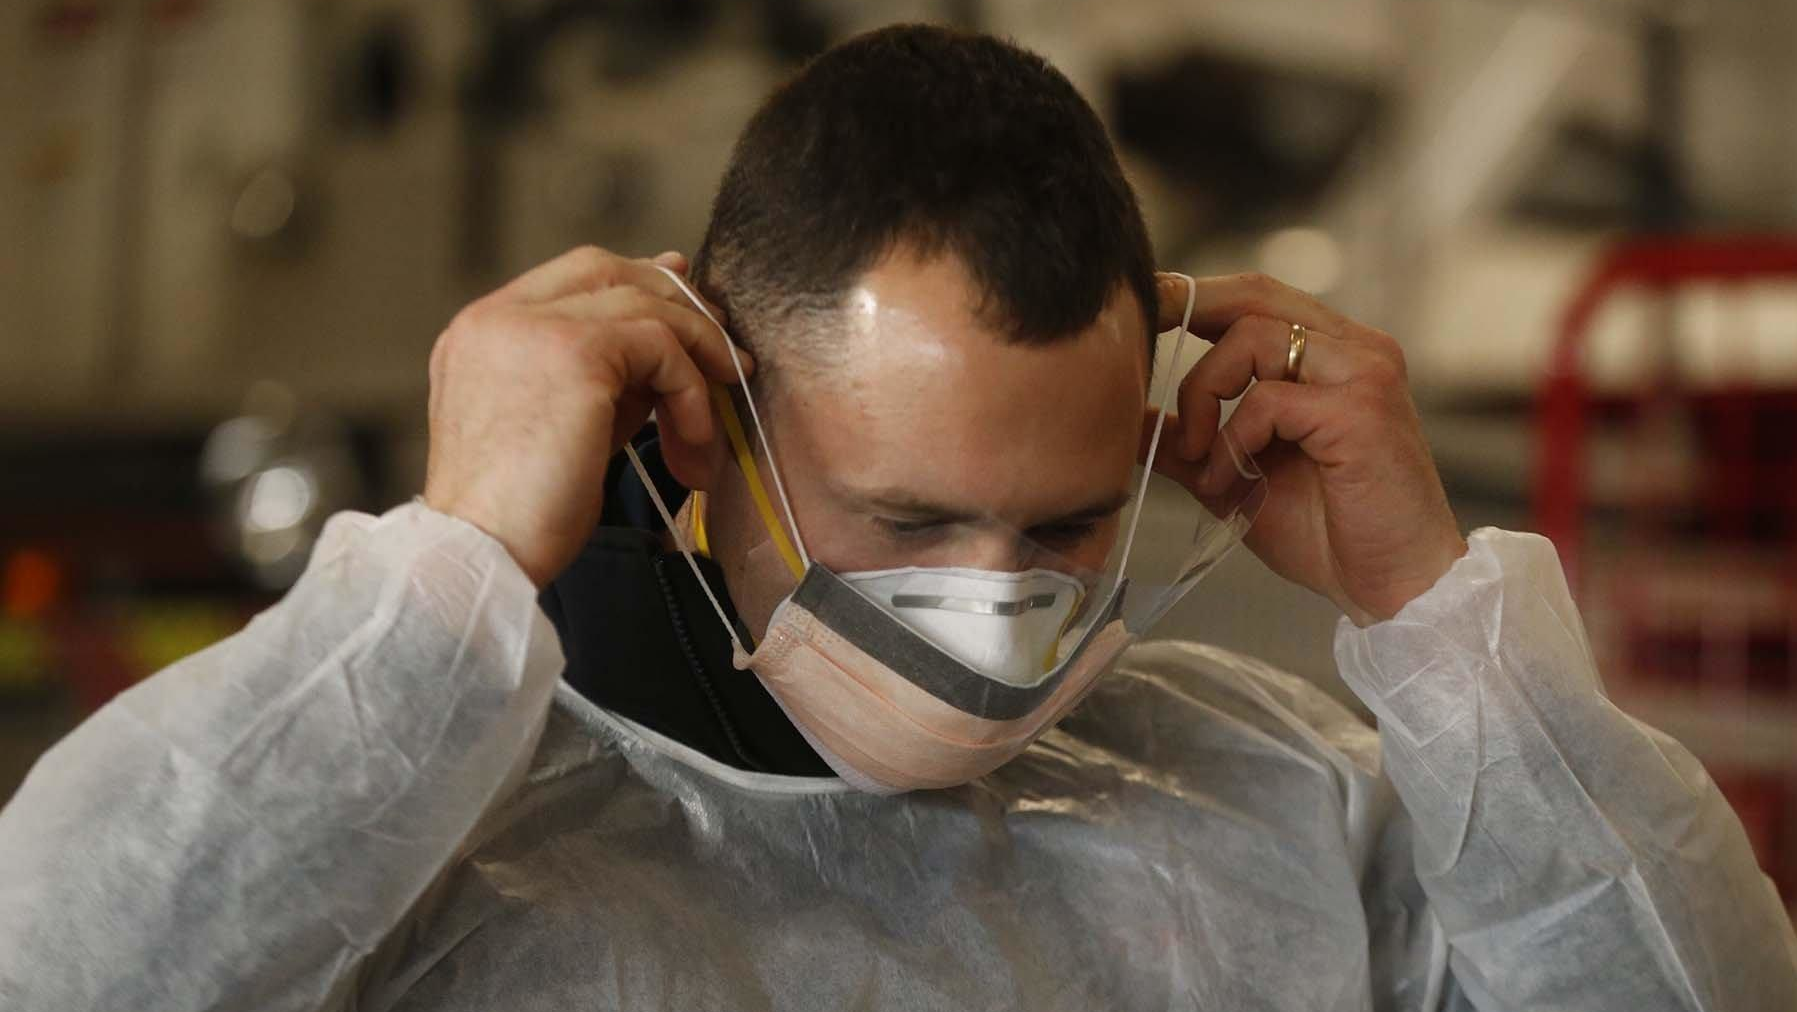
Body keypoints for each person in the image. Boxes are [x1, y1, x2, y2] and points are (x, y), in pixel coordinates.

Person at [2, 23, 1793, 1012]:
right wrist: (451, 575)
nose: (990, 605)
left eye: (1066, 527)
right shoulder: (432, 830)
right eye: (907, 515)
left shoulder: (1280, 807)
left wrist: (1427, 613)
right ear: (701, 415)